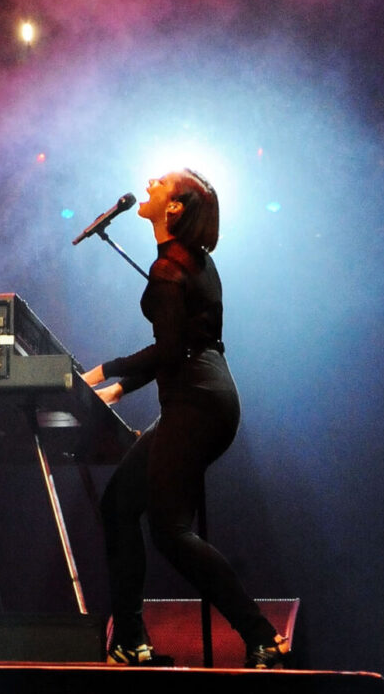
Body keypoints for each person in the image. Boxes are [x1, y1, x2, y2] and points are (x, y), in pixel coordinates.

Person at [82, 169, 289, 668]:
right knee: (119, 507)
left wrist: (110, 374)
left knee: (171, 531)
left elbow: (172, 350)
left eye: (161, 183)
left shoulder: (171, 267)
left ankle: (261, 636)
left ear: (174, 208)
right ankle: (131, 640)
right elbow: (180, 345)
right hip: (202, 396)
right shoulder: (190, 261)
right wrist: (118, 382)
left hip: (197, 401)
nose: (150, 181)